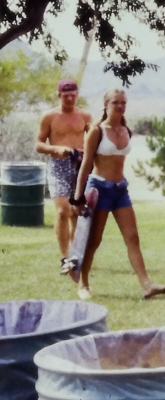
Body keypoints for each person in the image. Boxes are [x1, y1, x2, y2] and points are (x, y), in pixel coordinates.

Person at [69, 89, 165, 301]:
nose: (120, 106)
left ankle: (147, 285)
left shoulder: (127, 130)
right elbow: (86, 164)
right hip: (99, 189)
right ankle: (83, 283)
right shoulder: (96, 131)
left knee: (133, 238)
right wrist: (77, 197)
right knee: (94, 240)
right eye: (115, 102)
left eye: (123, 102)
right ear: (106, 104)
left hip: (120, 189)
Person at [35, 79, 92, 269]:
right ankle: (64, 256)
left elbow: (96, 137)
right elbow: (39, 144)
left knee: (77, 212)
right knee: (62, 211)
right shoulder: (49, 116)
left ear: (77, 94)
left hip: (79, 165)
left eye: (73, 94)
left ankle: (75, 256)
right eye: (66, 95)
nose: (69, 98)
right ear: (59, 95)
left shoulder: (84, 116)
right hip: (58, 165)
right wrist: (56, 149)